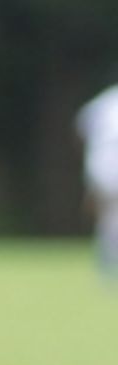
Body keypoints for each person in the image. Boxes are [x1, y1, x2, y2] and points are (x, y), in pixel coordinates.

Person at [76, 83, 118, 274]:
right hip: (107, 164)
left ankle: (106, 267)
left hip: (99, 165)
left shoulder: (106, 99)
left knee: (108, 218)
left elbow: (81, 127)